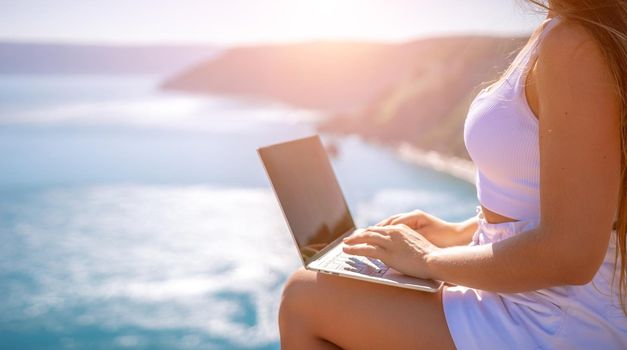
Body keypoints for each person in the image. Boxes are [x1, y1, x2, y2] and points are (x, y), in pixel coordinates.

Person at [278, 1, 627, 349]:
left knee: (303, 300)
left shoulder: (574, 45)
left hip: (550, 318)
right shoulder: (563, 33)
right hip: (533, 299)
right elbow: (548, 202)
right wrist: (456, 233)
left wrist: (429, 260)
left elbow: (571, 253)